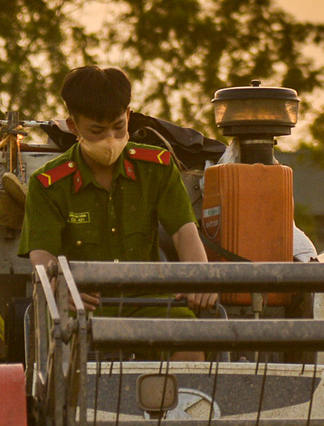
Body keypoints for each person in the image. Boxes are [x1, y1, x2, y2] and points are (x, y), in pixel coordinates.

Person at [18, 66, 219, 330]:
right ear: (72, 126)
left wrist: (199, 278)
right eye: (96, 131)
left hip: (150, 304)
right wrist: (59, 286)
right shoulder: (48, 183)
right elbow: (43, 255)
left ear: (128, 115)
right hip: (81, 308)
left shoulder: (157, 167)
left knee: (190, 338)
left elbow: (184, 231)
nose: (110, 139)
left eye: (117, 127)